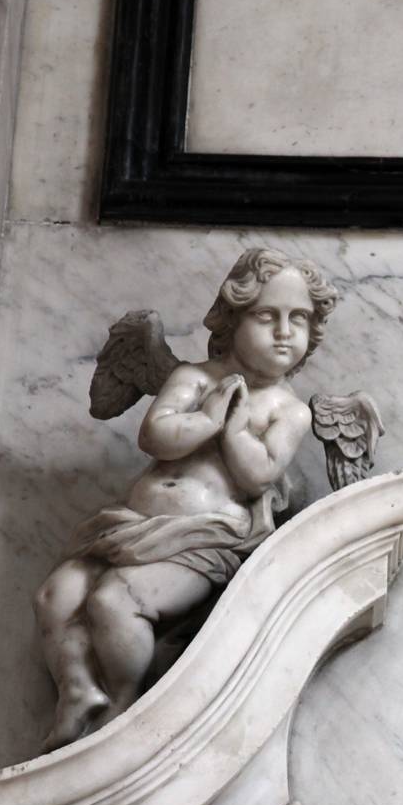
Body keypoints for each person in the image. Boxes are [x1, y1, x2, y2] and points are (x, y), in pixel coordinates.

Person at [34, 248, 338, 750]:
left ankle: (123, 708)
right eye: (267, 315)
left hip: (204, 537)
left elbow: (258, 475)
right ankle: (78, 690)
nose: (285, 331)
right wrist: (208, 418)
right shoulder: (195, 379)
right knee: (56, 595)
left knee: (116, 601)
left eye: (299, 319)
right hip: (131, 525)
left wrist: (236, 427)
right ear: (232, 318)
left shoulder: (289, 410)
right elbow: (156, 436)